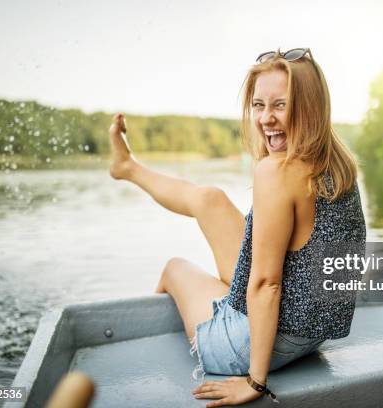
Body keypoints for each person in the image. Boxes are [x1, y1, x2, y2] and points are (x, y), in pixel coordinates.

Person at [108, 48, 366, 407]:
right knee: (210, 198)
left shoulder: (276, 172)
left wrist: (255, 382)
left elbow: (266, 284)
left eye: (280, 105)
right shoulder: (338, 161)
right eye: (259, 106)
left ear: (310, 108)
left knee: (175, 268)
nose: (266, 119)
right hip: (312, 331)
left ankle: (170, 329)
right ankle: (128, 166)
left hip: (253, 345)